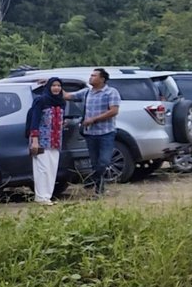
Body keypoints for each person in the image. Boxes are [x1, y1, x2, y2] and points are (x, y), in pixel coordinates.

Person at [66, 68, 120, 198]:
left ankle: (91, 180)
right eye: (91, 75)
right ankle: (98, 190)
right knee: (94, 162)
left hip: (106, 132)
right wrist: (51, 83)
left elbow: (113, 111)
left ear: (102, 79)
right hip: (90, 133)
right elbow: (68, 96)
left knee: (104, 161)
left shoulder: (111, 92)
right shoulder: (86, 92)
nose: (91, 78)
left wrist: (93, 119)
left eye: (94, 76)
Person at [24, 77, 66, 206]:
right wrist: (35, 140)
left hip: (55, 140)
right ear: (48, 87)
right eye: (53, 85)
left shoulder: (61, 102)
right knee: (42, 168)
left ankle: (47, 196)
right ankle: (41, 197)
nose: (56, 88)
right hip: (41, 139)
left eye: (59, 85)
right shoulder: (41, 101)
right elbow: (35, 121)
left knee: (52, 169)